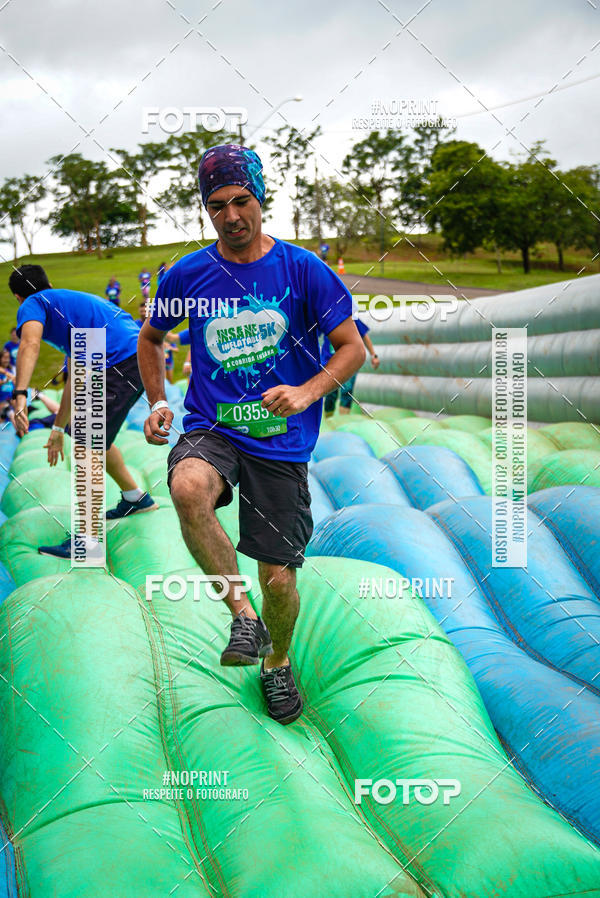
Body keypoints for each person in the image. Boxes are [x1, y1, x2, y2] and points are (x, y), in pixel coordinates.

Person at [137, 143, 365, 726]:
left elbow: (351, 348)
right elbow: (150, 338)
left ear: (261, 200)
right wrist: (161, 399)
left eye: (242, 201)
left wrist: (308, 392)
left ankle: (278, 661)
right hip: (214, 426)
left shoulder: (302, 269)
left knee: (279, 579)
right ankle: (242, 615)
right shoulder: (188, 273)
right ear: (206, 210)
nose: (232, 215)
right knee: (188, 487)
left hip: (281, 440)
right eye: (217, 206)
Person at [7, 264, 158, 558]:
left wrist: (20, 393)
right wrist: (57, 429)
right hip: (134, 359)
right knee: (91, 436)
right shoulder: (72, 313)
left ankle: (87, 542)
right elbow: (75, 382)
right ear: (47, 281)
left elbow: (30, 342)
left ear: (18, 297)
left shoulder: (34, 303)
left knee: (88, 443)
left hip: (123, 363)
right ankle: (135, 498)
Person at [322, 317, 379, 416]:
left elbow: (364, 336)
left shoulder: (350, 317)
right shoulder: (325, 316)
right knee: (331, 392)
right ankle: (328, 418)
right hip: (330, 361)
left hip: (349, 360)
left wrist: (374, 355)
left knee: (347, 390)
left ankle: (343, 419)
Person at [0, 348, 15, 419]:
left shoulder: (10, 370)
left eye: (8, 358)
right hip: (2, 400)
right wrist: (5, 381)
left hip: (10, 398)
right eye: (4, 358)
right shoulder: (4, 372)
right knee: (9, 411)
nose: (7, 360)